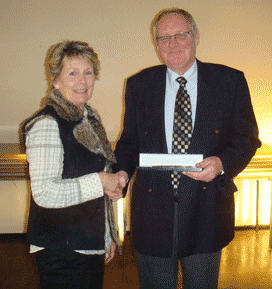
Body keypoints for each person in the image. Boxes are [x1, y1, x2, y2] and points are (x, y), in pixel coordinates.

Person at [114, 8, 261, 289]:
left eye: (181, 35)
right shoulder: (138, 84)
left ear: (195, 37)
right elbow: (129, 142)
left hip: (206, 212)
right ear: (156, 44)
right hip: (152, 212)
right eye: (164, 38)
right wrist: (121, 172)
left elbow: (247, 138)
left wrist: (221, 163)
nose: (173, 44)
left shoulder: (229, 81)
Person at [21, 40, 126, 289]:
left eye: (88, 73)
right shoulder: (47, 123)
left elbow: (92, 184)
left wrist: (106, 235)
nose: (83, 81)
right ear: (55, 80)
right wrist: (100, 181)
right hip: (60, 250)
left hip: (86, 243)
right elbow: (45, 193)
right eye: (73, 73)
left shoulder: (88, 117)